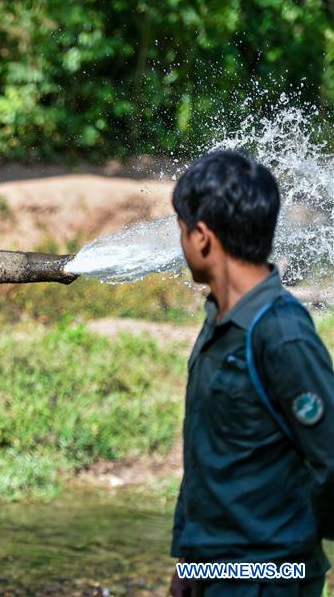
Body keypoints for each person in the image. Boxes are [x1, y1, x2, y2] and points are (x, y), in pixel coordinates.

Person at [169, 151, 334, 597]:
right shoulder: (218, 321)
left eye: (181, 229)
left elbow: (332, 459)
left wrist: (288, 548)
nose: (179, 241)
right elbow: (211, 450)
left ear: (202, 237)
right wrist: (191, 559)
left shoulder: (281, 333)